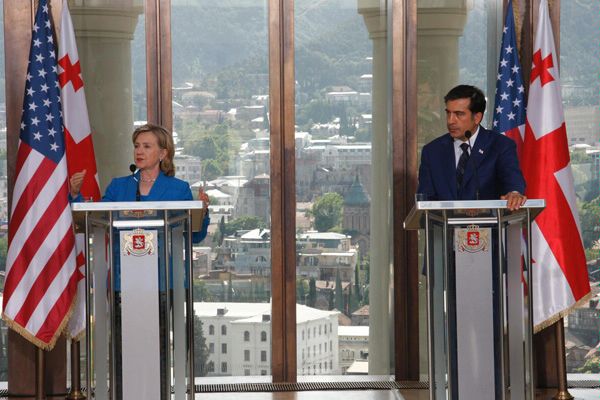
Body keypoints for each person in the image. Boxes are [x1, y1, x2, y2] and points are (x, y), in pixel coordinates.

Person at [69, 123, 209, 400]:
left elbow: (195, 234)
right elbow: (94, 219)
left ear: (163, 154)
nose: (139, 151)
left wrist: (203, 212)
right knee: (125, 349)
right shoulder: (119, 187)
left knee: (154, 348)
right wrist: (75, 196)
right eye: (137, 145)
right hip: (123, 282)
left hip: (162, 281)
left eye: (147, 146)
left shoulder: (178, 189)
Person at [417, 84, 526, 210]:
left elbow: (512, 180)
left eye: (459, 114)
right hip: (445, 228)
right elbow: (425, 200)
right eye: (448, 113)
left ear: (477, 118)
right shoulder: (432, 151)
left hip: (488, 227)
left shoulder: (500, 146)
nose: (450, 121)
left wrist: (514, 193)